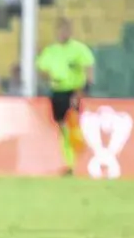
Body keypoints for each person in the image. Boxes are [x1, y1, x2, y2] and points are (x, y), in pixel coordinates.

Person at [35, 18, 94, 176]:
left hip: (73, 91)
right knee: (63, 128)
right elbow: (41, 68)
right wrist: (47, 75)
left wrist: (84, 89)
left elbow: (88, 67)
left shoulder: (79, 49)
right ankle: (71, 162)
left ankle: (77, 157)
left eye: (66, 30)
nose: (63, 33)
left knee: (72, 122)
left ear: (70, 32)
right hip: (57, 91)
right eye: (60, 31)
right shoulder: (51, 51)